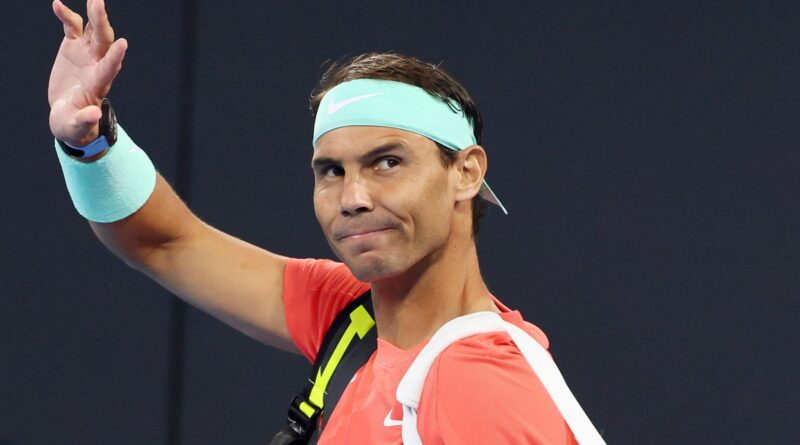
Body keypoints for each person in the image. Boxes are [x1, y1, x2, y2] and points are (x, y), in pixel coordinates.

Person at [48, 1, 604, 443]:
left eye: (388, 162)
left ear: (465, 171)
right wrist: (86, 142)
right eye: (331, 171)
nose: (353, 197)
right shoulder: (351, 317)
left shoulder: (480, 384)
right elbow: (164, 243)